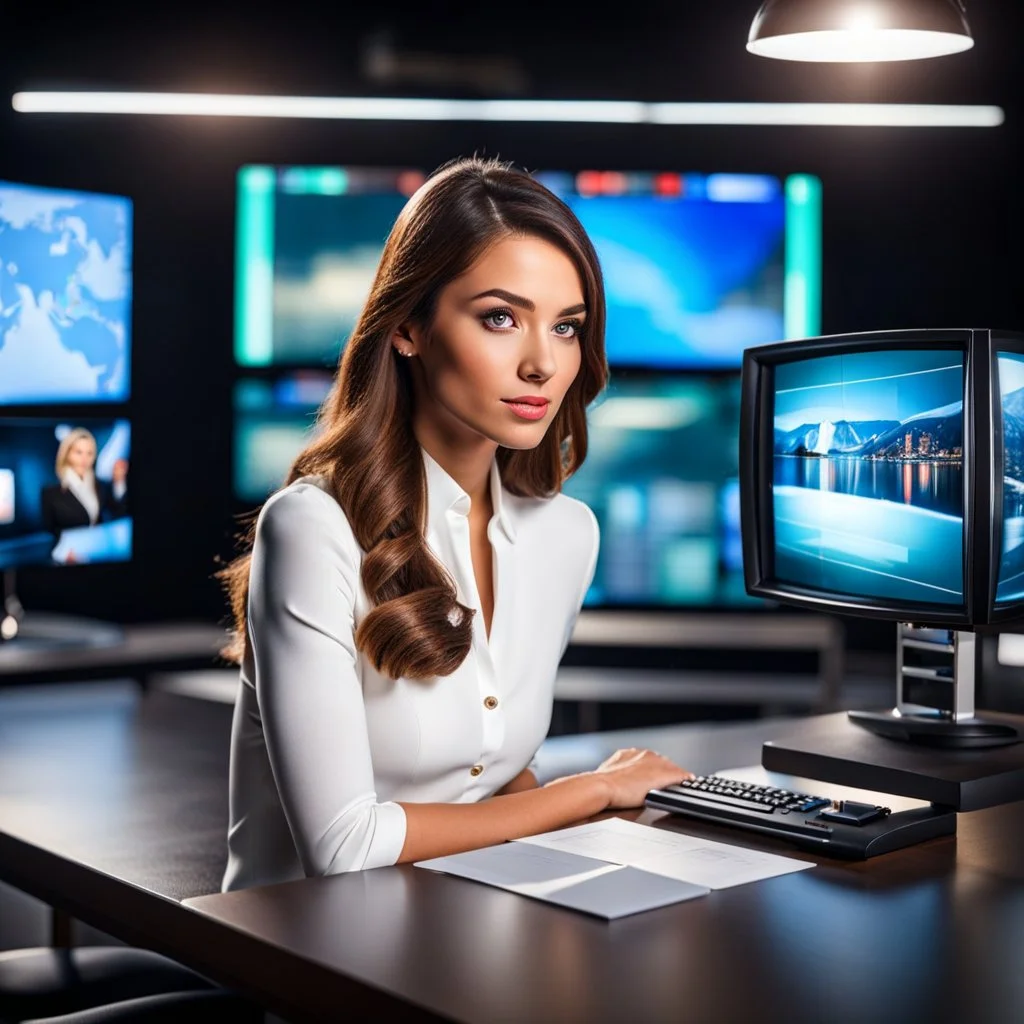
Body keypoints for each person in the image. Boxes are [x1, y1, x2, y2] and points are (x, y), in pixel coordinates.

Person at [218, 156, 693, 893]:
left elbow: (494, 779)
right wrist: (593, 790)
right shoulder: (312, 529)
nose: (542, 363)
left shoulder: (567, 536)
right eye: (500, 318)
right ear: (408, 325)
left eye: (566, 327)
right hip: (302, 961)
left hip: (462, 924)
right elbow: (344, 845)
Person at [40, 427, 128, 538]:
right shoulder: (50, 490)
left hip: (98, 548)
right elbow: (50, 531)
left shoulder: (99, 485)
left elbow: (118, 511)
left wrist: (119, 481)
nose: (84, 459)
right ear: (67, 454)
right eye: (79, 452)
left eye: (89, 453)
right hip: (68, 553)